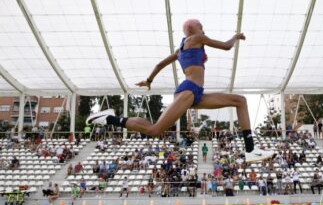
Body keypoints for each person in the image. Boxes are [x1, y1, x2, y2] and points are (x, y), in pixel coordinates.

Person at [86, 19, 275, 162]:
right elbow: (226, 46)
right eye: (202, 28)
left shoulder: (180, 51)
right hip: (189, 91)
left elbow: (160, 64)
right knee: (154, 129)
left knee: (240, 100)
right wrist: (235, 37)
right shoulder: (197, 38)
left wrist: (149, 80)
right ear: (194, 30)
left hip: (195, 93)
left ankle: (251, 149)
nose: (204, 32)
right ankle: (109, 118)